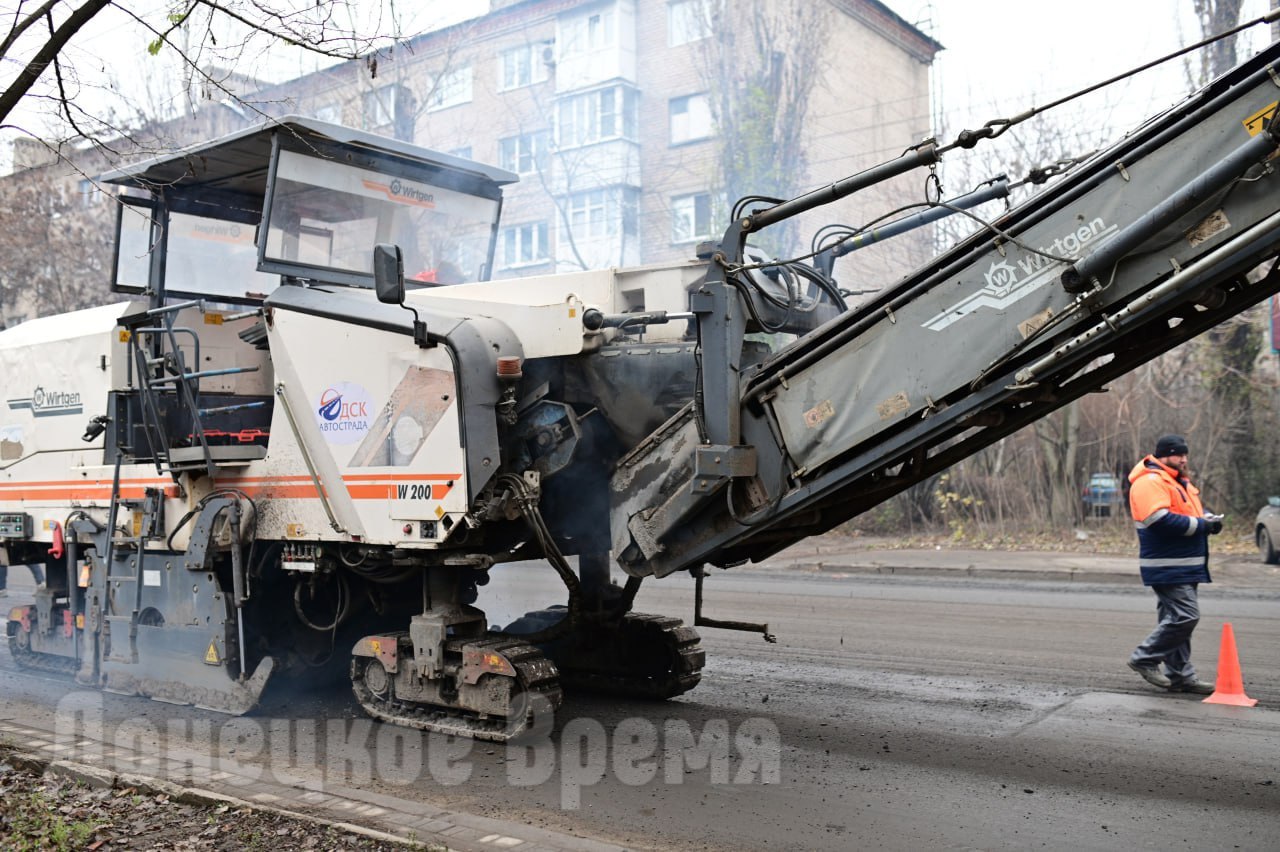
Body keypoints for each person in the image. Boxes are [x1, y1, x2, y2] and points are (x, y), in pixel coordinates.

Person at [1125, 434, 1220, 695]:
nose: (1184, 459)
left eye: (1185, 454)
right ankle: (1144, 658)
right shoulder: (1150, 481)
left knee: (1176, 620)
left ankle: (1180, 676)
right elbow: (1160, 520)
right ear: (1164, 455)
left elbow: (1187, 515)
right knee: (1186, 616)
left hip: (1184, 563)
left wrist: (1208, 520)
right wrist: (1203, 525)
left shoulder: (1177, 482)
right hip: (1167, 565)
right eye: (1179, 454)